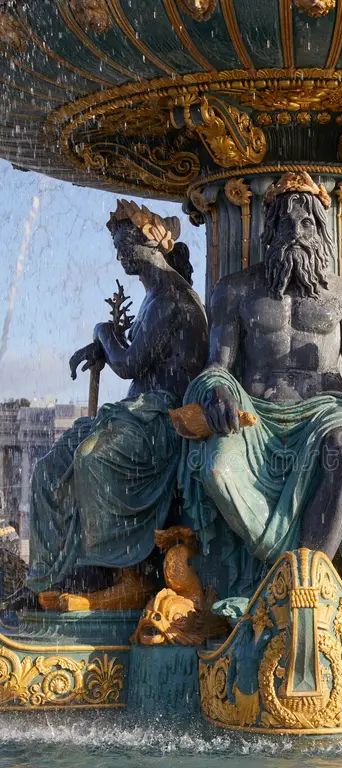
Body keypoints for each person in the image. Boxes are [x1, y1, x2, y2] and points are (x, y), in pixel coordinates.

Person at [179, 172, 342, 594]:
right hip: (255, 413)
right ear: (271, 230)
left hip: (325, 412)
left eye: (308, 225)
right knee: (215, 467)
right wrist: (219, 391)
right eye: (287, 224)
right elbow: (217, 365)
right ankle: (275, 571)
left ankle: (308, 582)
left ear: (321, 231)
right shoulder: (235, 291)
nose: (297, 234)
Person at [28, 201, 208, 597]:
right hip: (131, 417)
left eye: (123, 244)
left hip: (163, 420)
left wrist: (101, 332)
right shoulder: (151, 298)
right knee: (46, 469)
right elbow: (135, 357)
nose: (118, 254)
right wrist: (104, 346)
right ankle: (46, 577)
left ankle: (119, 577)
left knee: (92, 459)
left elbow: (127, 363)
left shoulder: (172, 299)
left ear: (149, 244)